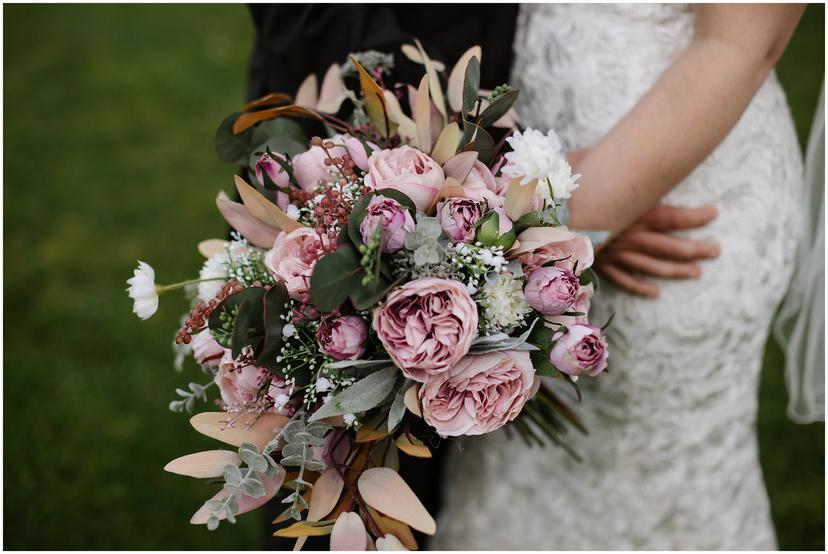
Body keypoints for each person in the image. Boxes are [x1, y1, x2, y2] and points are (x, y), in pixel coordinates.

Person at [431, 4, 805, 550]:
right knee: (512, 451)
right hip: (531, 170)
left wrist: (548, 223)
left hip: (669, 189)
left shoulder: (546, 219)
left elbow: (739, 45)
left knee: (652, 482)